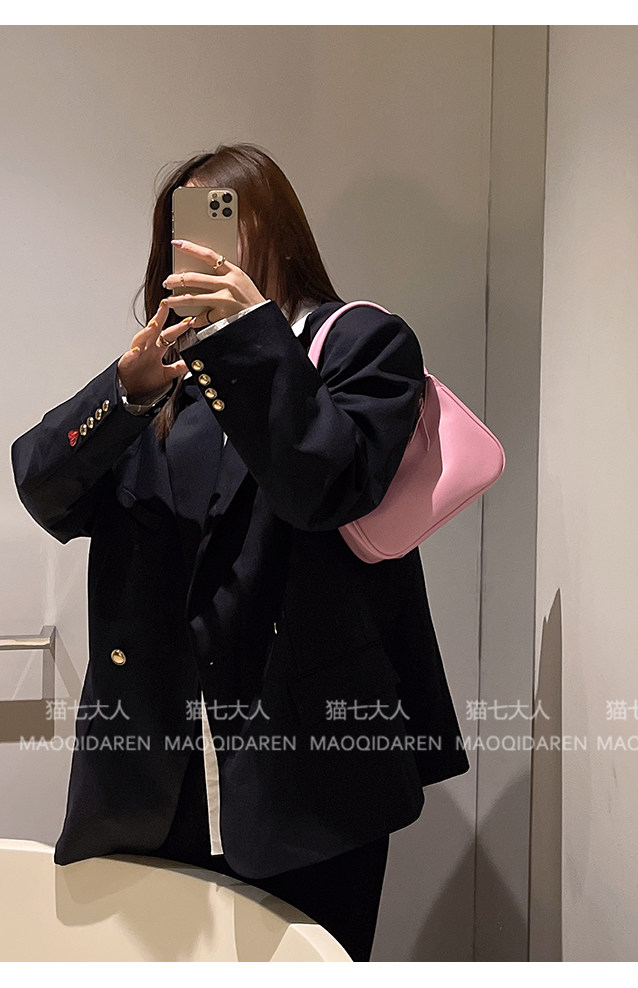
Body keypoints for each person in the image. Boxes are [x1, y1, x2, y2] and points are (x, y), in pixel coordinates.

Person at [10, 142, 469, 961]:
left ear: (277, 231)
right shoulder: (161, 383)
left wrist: (251, 336)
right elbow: (44, 487)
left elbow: (321, 485)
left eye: (221, 220)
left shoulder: (360, 345)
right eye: (180, 233)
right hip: (156, 780)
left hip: (306, 780)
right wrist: (125, 392)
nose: (197, 247)